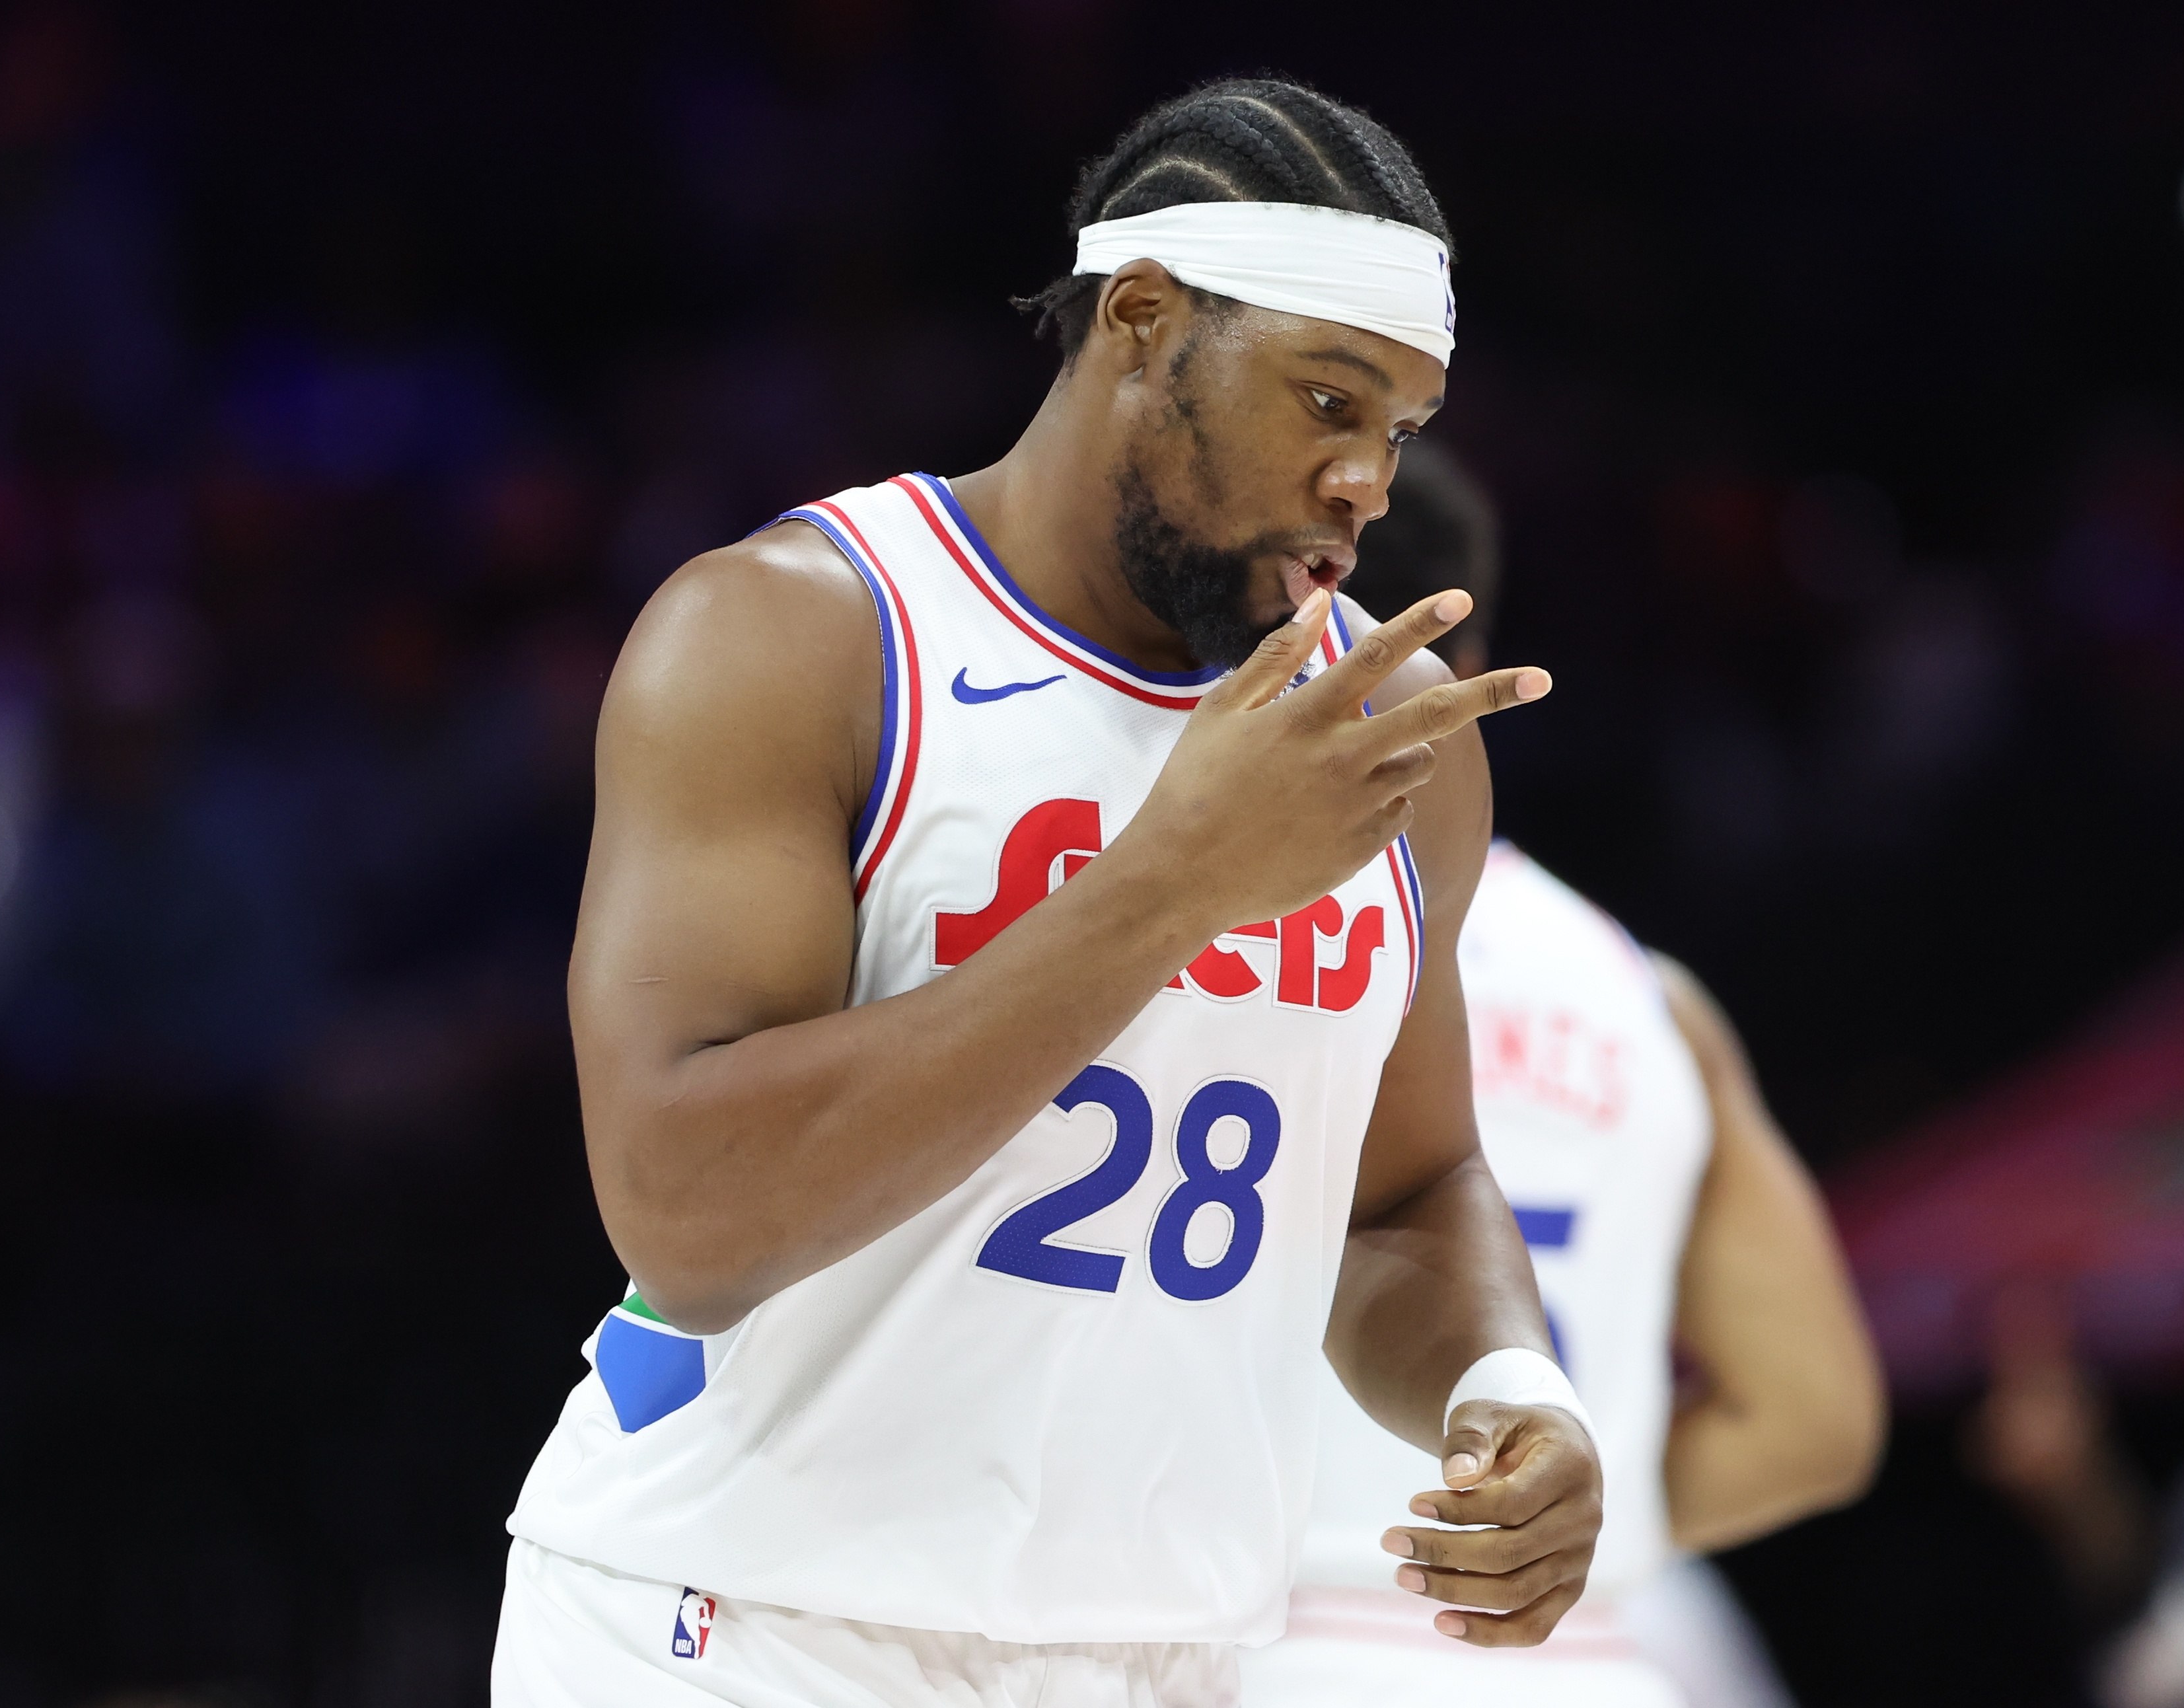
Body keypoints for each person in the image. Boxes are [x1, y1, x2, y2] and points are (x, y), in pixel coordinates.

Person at [493, 80, 1607, 1708]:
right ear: (1142, 321)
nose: (1366, 478)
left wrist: (1509, 1389)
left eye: (1401, 430)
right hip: (738, 1631)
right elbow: (689, 1217)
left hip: (1156, 1657)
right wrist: (1171, 889)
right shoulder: (802, 635)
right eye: (1326, 399)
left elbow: (1406, 1193)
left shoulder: (1392, 742)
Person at [1239, 443, 1886, 1708]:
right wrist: (1546, 1536)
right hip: (1574, 1661)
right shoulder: (1652, 1000)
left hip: (1267, 1640)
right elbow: (1813, 1418)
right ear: (1473, 669)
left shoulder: (1201, 935)